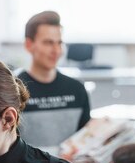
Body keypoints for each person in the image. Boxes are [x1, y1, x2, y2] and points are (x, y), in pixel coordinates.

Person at [17, 11, 91, 148]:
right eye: (48, 43)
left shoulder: (77, 90)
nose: (56, 50)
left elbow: (85, 142)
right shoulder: (13, 91)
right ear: (29, 45)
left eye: (59, 43)